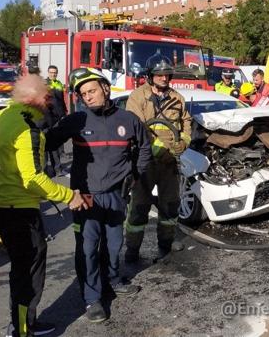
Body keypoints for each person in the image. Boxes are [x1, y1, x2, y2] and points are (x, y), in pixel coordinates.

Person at [0, 74, 88, 337]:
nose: (49, 100)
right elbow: (33, 178)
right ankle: (22, 328)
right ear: (31, 98)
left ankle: (22, 324)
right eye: (45, 96)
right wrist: (69, 195)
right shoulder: (28, 128)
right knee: (28, 272)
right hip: (19, 210)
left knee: (21, 269)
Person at [46, 67, 152, 323]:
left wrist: (135, 176)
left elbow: (145, 148)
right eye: (83, 94)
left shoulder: (128, 120)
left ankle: (113, 280)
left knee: (115, 244)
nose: (88, 97)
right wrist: (38, 119)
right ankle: (92, 298)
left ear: (105, 88)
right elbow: (46, 142)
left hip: (117, 195)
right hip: (86, 197)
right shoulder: (77, 121)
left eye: (91, 91)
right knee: (89, 248)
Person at [124, 55, 191, 263]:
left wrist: (184, 142)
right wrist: (155, 149)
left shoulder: (177, 98)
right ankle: (132, 249)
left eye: (166, 74)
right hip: (145, 162)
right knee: (139, 206)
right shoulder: (137, 97)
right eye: (158, 74)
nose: (163, 78)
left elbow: (186, 123)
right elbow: (135, 127)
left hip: (169, 161)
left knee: (170, 204)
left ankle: (166, 243)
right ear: (150, 76)